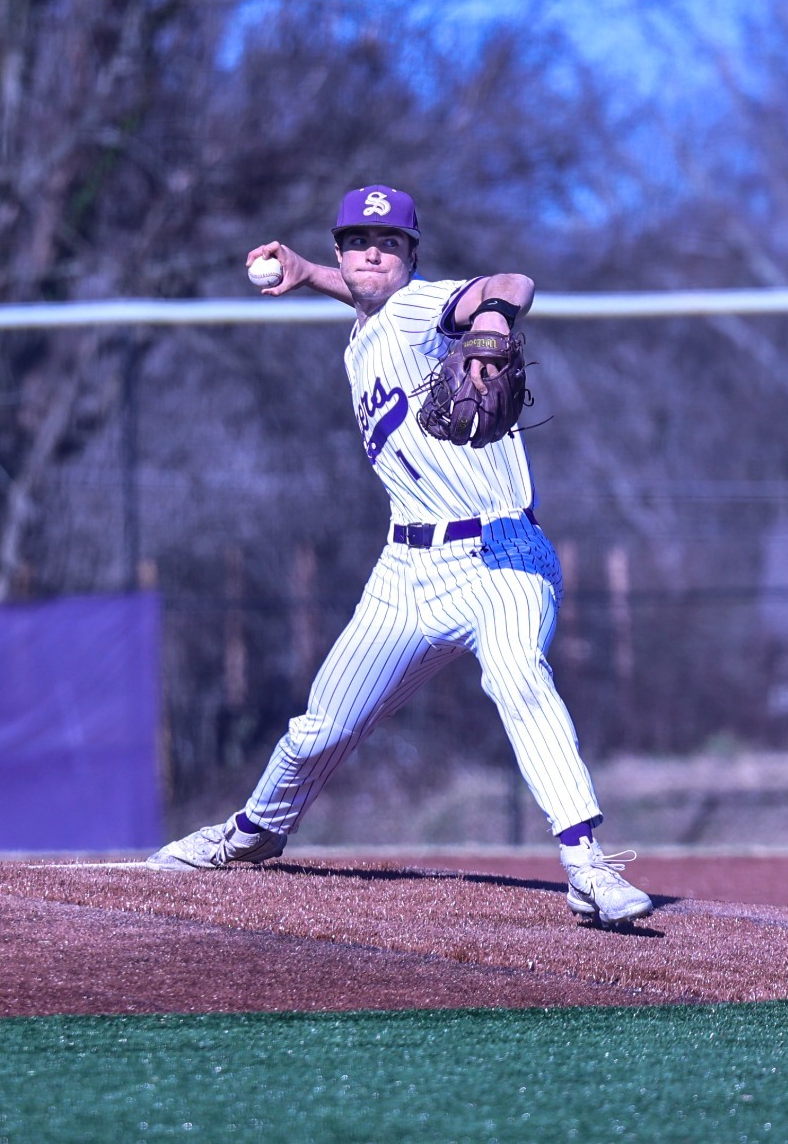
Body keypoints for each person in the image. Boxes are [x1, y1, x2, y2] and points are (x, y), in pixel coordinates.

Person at [146, 186, 652, 926]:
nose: (371, 253)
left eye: (388, 243)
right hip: (405, 570)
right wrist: (309, 272)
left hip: (497, 554)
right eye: (357, 242)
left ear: (412, 256)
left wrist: (488, 320)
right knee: (323, 726)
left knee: (518, 679)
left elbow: (512, 283)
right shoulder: (365, 330)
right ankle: (252, 833)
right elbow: (360, 295)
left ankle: (587, 864)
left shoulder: (419, 308)